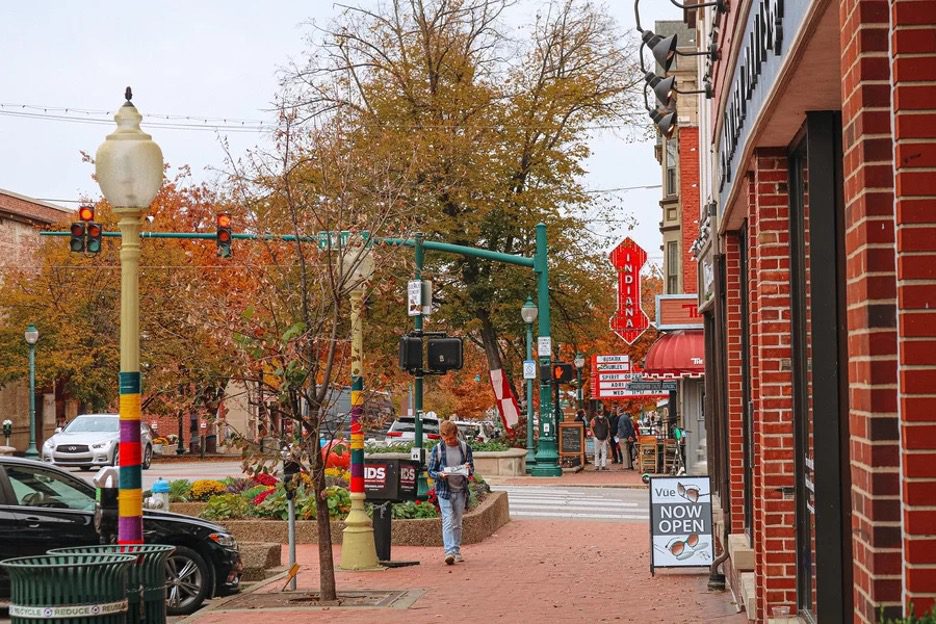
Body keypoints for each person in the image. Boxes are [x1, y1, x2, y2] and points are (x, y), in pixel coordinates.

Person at [428, 420, 475, 565]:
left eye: (451, 438)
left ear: (456, 434)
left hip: (460, 490)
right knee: (448, 520)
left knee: (457, 522)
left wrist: (468, 469)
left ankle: (456, 550)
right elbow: (430, 470)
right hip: (444, 490)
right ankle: (449, 552)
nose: (448, 441)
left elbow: (471, 469)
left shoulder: (465, 448)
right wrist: (439, 475)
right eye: (445, 438)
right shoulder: (438, 449)